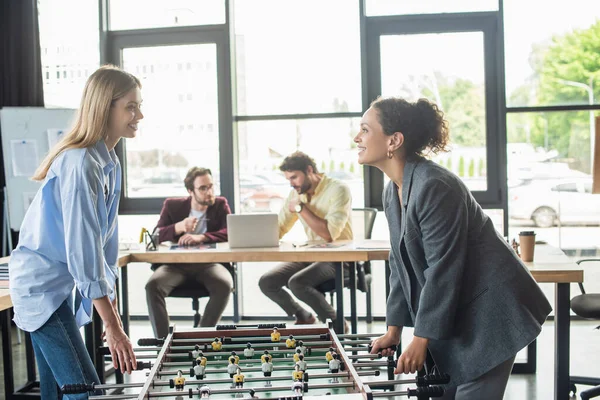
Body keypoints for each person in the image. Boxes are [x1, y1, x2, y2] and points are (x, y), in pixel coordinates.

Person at [358, 97, 552, 399]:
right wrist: (394, 330)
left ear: (394, 140)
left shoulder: (434, 185)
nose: (357, 138)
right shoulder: (391, 190)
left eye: (365, 130)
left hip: (490, 314)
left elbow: (443, 268)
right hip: (459, 312)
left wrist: (421, 337)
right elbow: (399, 263)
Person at [8, 65, 141, 399]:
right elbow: (83, 251)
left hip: (58, 285)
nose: (140, 114)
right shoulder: (81, 163)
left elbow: (103, 248)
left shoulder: (108, 161)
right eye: (131, 106)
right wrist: (111, 324)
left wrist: (111, 315)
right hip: (40, 288)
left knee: (57, 393)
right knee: (85, 390)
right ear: (104, 107)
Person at [258, 152, 353, 328]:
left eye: (294, 177)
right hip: (311, 255)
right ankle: (303, 315)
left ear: (309, 170)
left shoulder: (338, 189)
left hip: (339, 257)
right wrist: (255, 240)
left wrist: (301, 208)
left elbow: (330, 234)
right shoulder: (295, 194)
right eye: (288, 179)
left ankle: (338, 323)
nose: (291, 183)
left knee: (297, 282)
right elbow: (280, 227)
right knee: (267, 281)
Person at [145, 167, 233, 338]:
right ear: (190, 191)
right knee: (152, 286)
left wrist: (203, 237)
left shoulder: (220, 204)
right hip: (176, 265)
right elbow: (155, 235)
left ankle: (200, 337)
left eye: (211, 186)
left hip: (210, 264)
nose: (210, 192)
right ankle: (163, 343)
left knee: (224, 284)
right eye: (203, 188)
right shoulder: (173, 205)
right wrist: (179, 227)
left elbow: (230, 231)